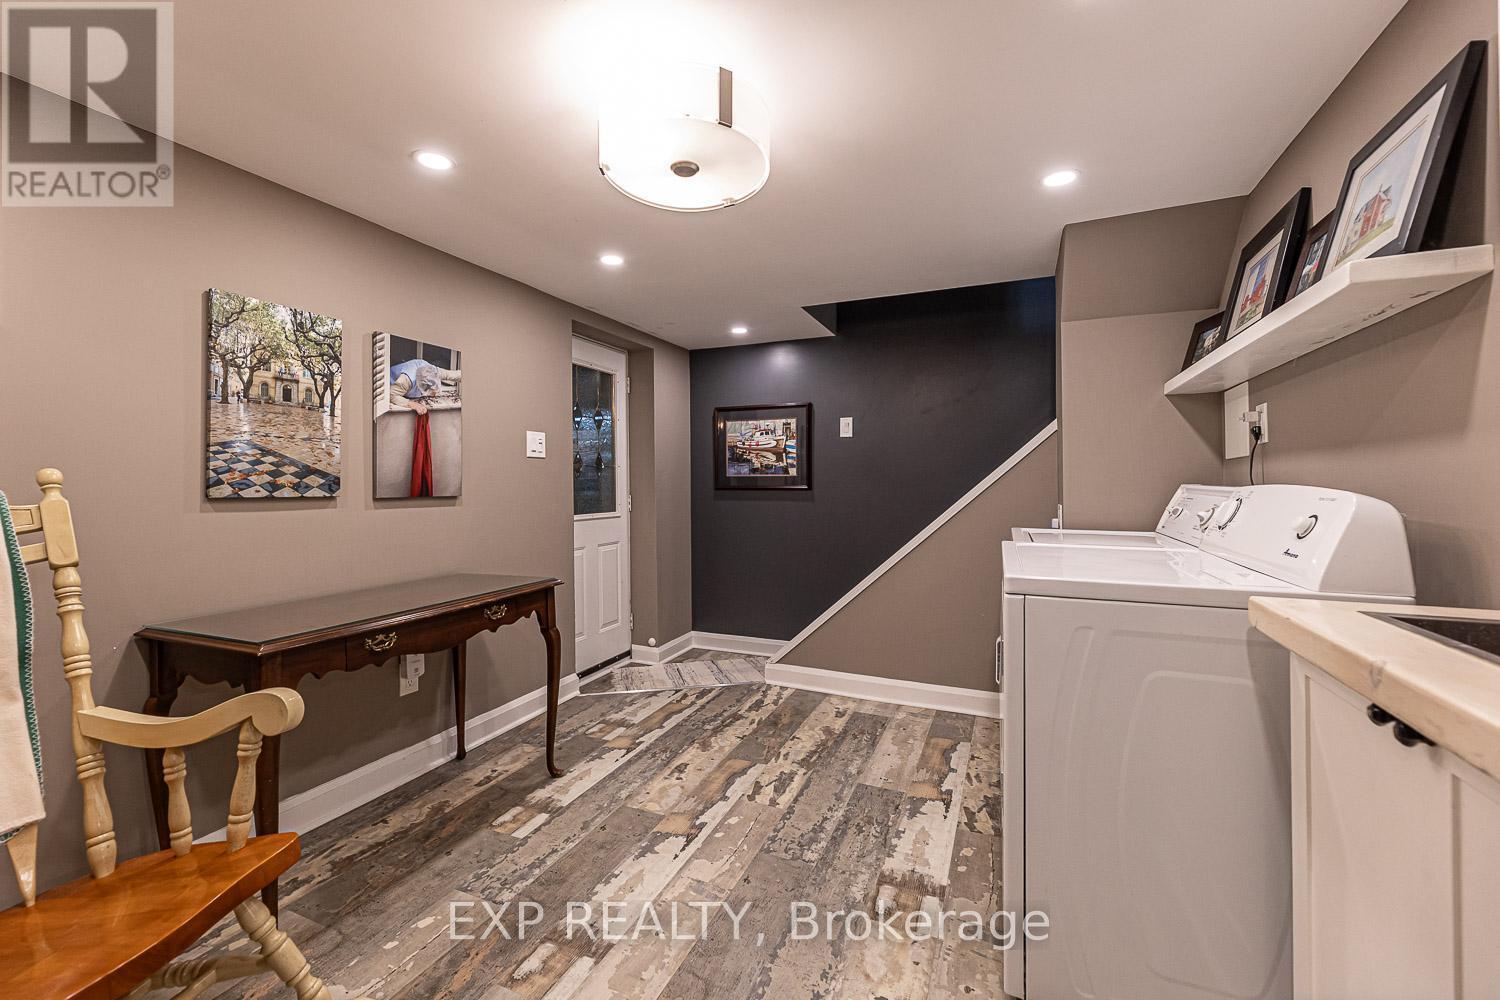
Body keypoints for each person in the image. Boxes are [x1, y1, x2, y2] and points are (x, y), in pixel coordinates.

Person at [388, 359, 460, 414]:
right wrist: (412, 404)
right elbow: (391, 395)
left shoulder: (434, 371)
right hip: (394, 384)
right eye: (430, 390)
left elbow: (454, 374)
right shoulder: (406, 381)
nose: (434, 394)